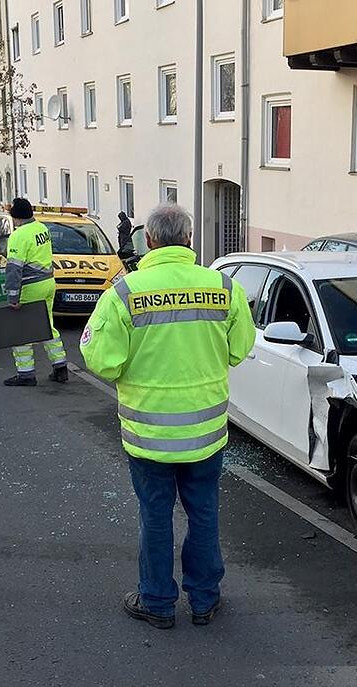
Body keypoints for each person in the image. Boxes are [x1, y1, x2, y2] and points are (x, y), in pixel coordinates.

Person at [81, 203, 256, 629]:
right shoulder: (223, 287)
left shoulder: (124, 292)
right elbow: (240, 348)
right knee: (205, 513)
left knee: (155, 516)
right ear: (190, 240)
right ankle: (204, 599)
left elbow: (101, 360)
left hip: (148, 436)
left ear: (150, 240)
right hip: (206, 435)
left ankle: (157, 602)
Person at [2, 197, 69, 386]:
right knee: (47, 325)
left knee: (21, 330)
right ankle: (60, 367)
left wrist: (13, 296)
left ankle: (26, 374)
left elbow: (14, 268)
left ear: (15, 217)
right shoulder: (42, 228)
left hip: (31, 286)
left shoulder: (19, 235)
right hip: (48, 282)